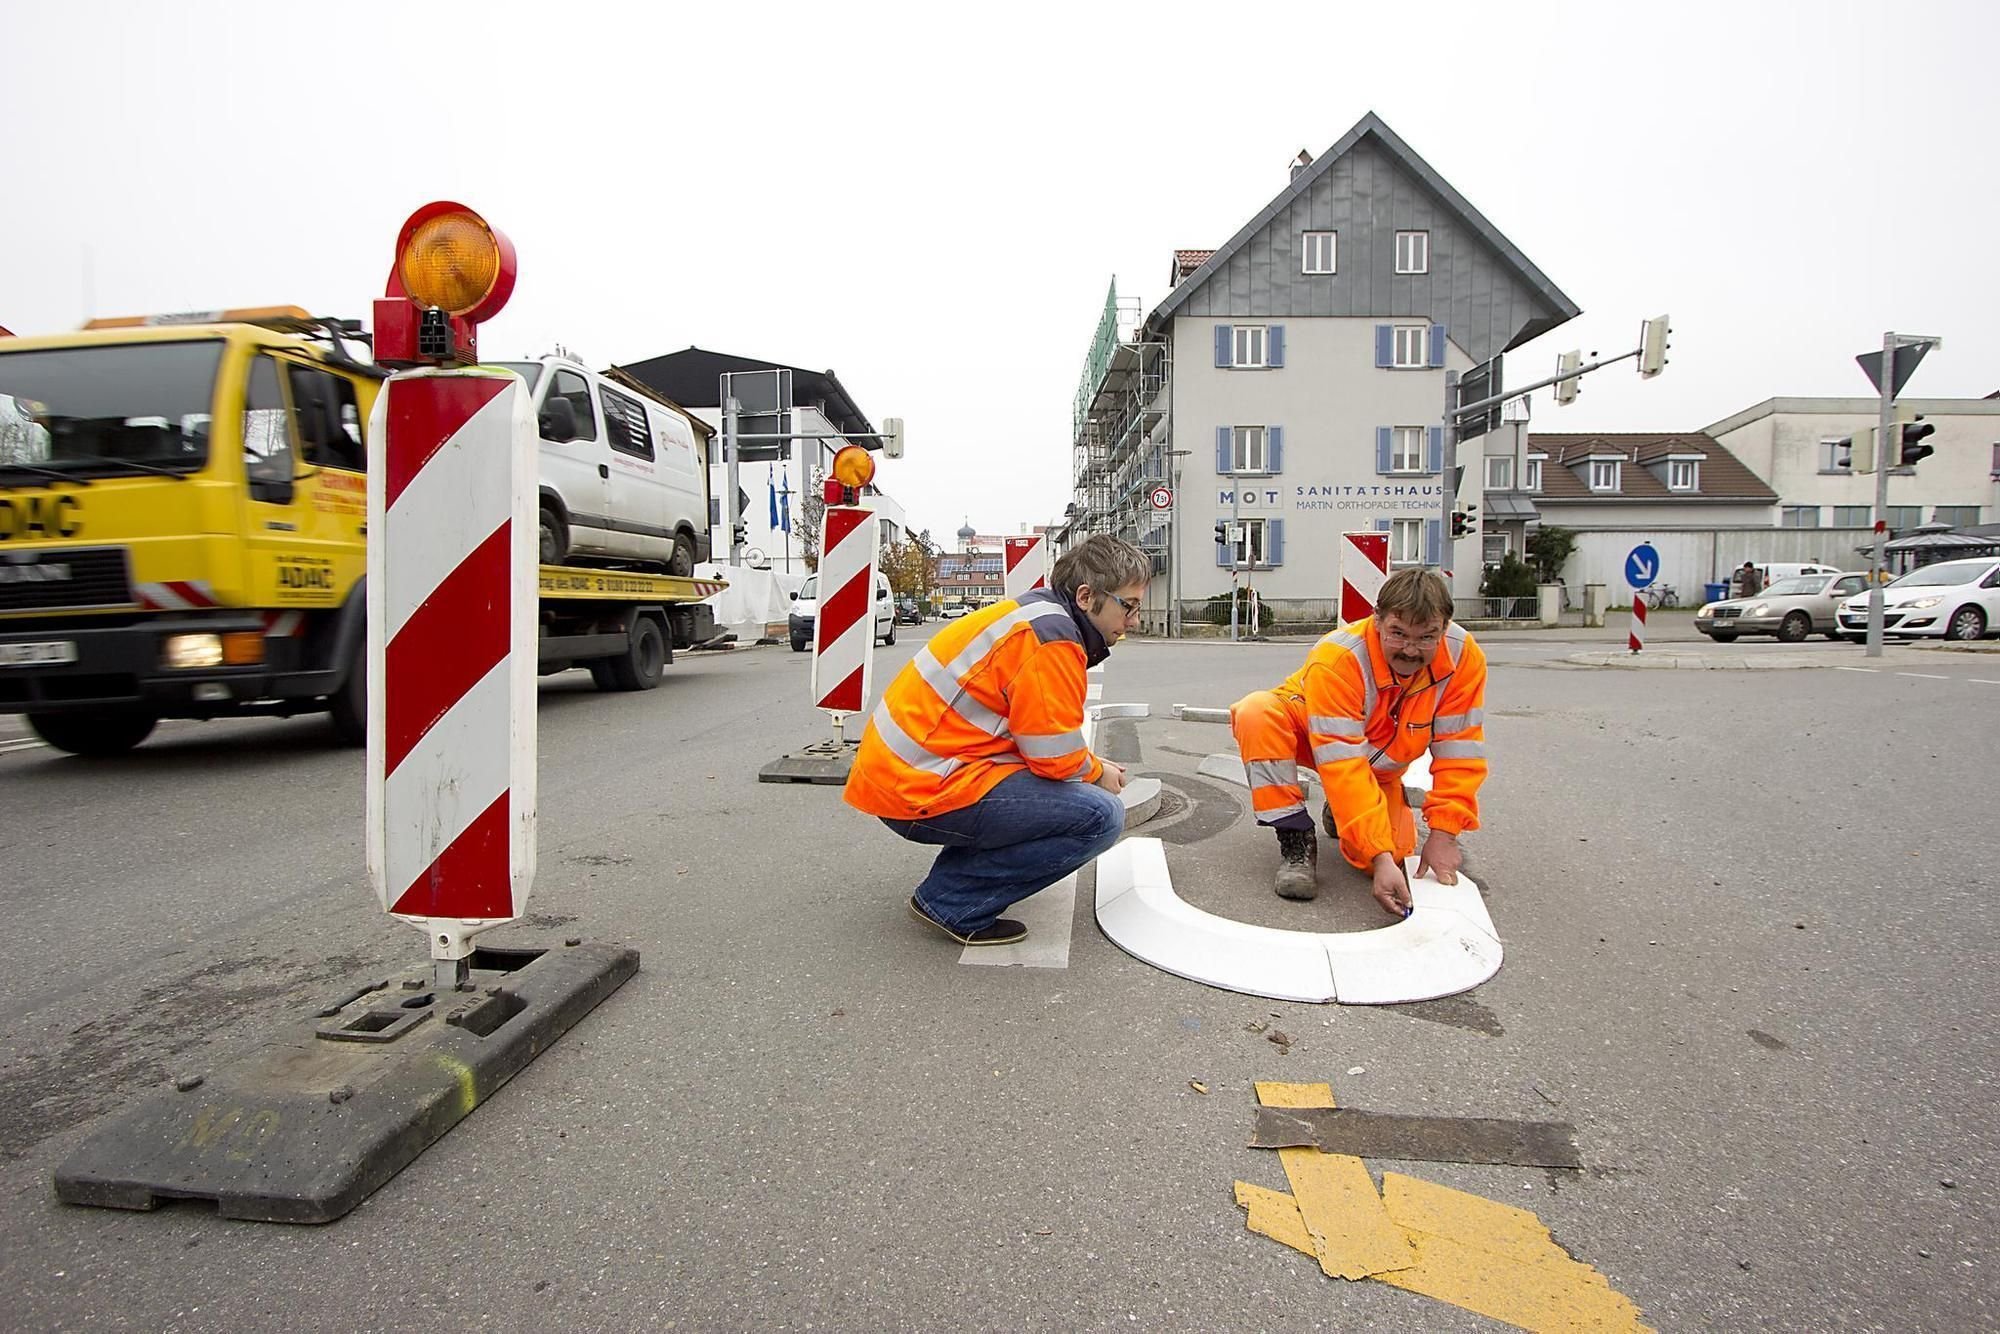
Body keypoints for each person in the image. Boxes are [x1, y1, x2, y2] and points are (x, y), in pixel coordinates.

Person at [845, 534, 1151, 946]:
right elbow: (1054, 759)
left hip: (907, 773)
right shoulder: (1053, 641)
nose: (1133, 620)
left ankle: (956, 883)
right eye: (1127, 606)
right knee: (1100, 815)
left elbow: (1040, 736)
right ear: (1085, 596)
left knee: (1068, 796)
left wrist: (1088, 766)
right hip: (918, 786)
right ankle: (953, 900)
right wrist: (1099, 773)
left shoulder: (1037, 616)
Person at [1229, 568, 1488, 917]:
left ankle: (1341, 811)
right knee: (1256, 712)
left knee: (1394, 856)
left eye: (1426, 638)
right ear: (1376, 620)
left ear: (1445, 628)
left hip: (1379, 767)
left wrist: (1445, 833)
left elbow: (1460, 749)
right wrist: (1379, 856)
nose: (1411, 651)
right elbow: (1342, 763)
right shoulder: (1338, 659)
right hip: (1317, 742)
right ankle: (1295, 838)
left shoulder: (1463, 658)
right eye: (1398, 634)